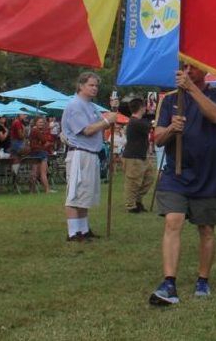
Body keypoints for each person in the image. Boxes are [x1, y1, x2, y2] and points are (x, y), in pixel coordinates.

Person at [149, 64, 216, 306]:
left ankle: (203, 280)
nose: (186, 71)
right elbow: (158, 138)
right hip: (176, 173)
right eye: (182, 67)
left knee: (206, 229)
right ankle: (169, 283)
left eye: (191, 67)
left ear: (205, 70)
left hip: (210, 174)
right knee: (172, 221)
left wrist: (191, 90)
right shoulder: (169, 100)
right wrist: (171, 130)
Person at [61, 72, 117, 243]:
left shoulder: (91, 106)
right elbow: (86, 130)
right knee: (75, 193)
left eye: (96, 86)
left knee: (86, 194)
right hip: (79, 152)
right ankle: (73, 233)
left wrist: (113, 109)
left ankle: (84, 230)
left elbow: (100, 124)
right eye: (91, 85)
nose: (94, 88)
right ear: (81, 86)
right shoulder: (75, 105)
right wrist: (108, 121)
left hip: (91, 153)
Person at [123, 98, 154, 213]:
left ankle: (137, 200)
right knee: (133, 182)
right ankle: (131, 205)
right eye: (144, 106)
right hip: (133, 156)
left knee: (149, 178)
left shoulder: (138, 121)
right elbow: (148, 126)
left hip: (141, 155)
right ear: (141, 108)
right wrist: (152, 117)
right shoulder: (135, 122)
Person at [27, 117, 54, 193]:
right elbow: (44, 140)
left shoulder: (33, 130)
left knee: (34, 172)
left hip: (34, 152)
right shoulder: (36, 130)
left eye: (42, 122)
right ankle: (47, 189)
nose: (41, 124)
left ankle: (32, 190)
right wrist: (45, 143)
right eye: (39, 122)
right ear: (35, 123)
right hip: (40, 152)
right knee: (43, 172)